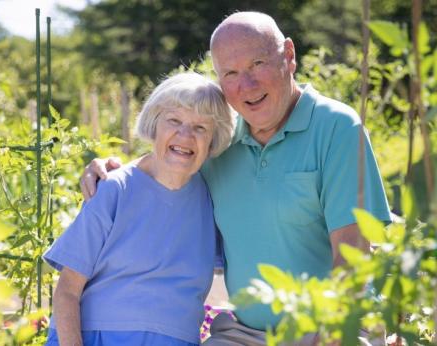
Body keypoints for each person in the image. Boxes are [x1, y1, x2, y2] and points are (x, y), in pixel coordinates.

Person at [80, 12, 391, 345]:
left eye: (257, 64)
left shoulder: (337, 127)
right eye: (230, 73)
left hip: (334, 325)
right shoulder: (221, 138)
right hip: (245, 335)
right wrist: (113, 168)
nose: (247, 85)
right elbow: (169, 157)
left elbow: (352, 260)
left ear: (288, 55)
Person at [43, 72, 234, 346]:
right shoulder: (113, 188)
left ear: (214, 139)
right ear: (155, 124)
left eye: (200, 128)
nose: (185, 135)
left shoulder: (213, 198)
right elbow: (67, 291)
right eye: (174, 121)